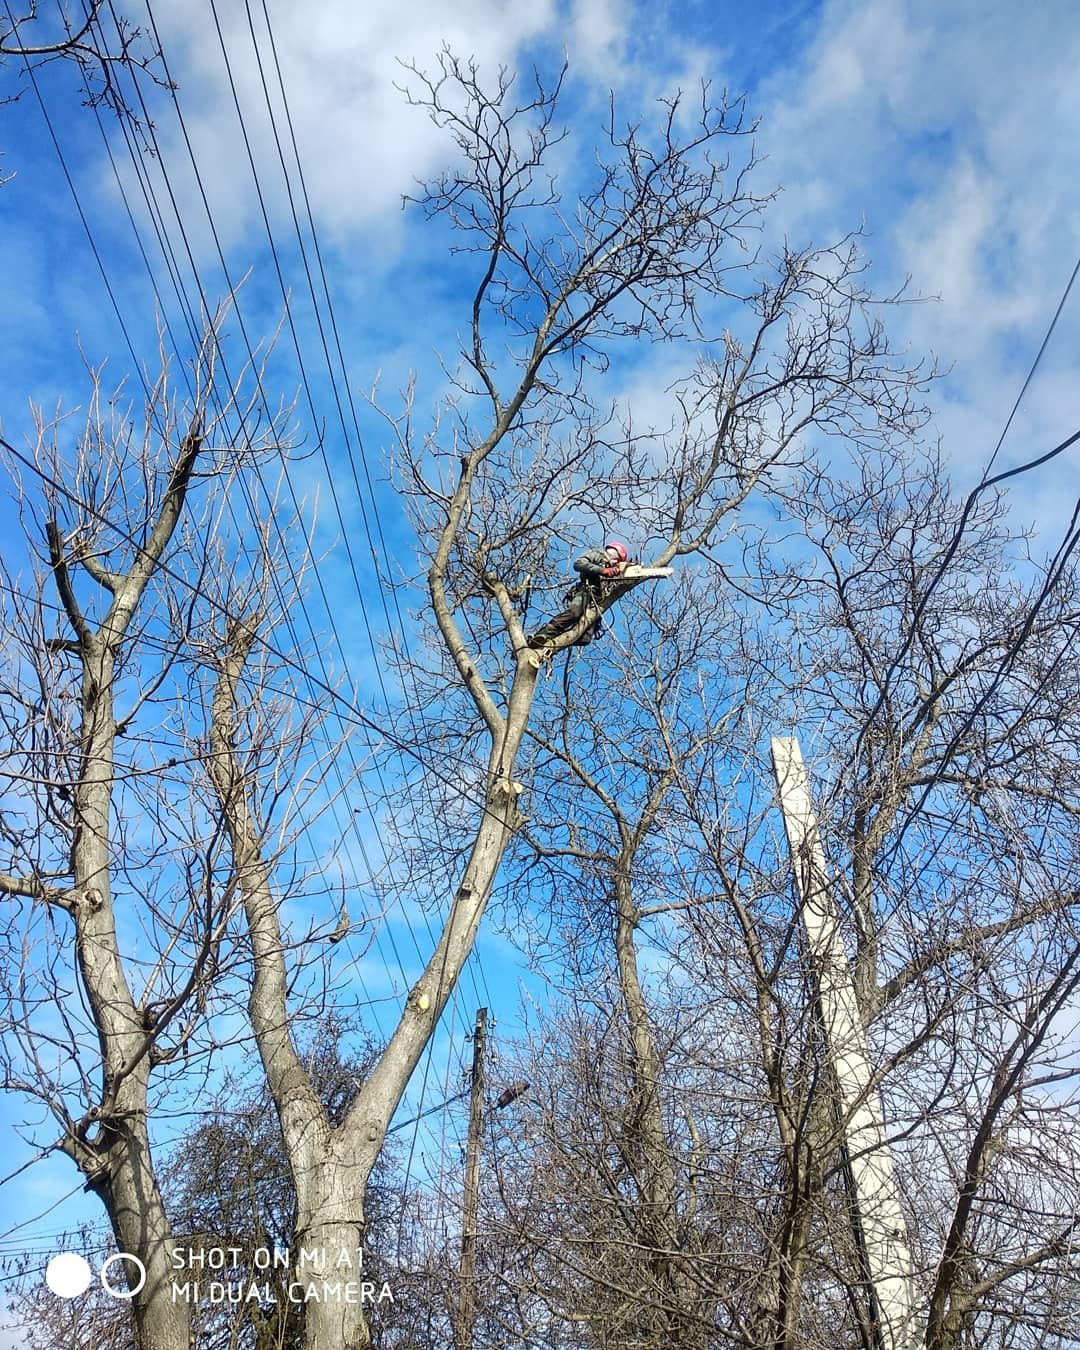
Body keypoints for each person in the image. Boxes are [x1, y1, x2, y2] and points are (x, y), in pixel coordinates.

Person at [526, 541, 630, 649]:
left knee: (585, 638)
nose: (615, 562)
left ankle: (553, 645)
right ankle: (543, 634)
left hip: (596, 602)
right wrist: (602, 570)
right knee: (573, 614)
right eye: (617, 559)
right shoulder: (598, 555)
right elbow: (578, 563)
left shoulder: (612, 570)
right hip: (586, 590)